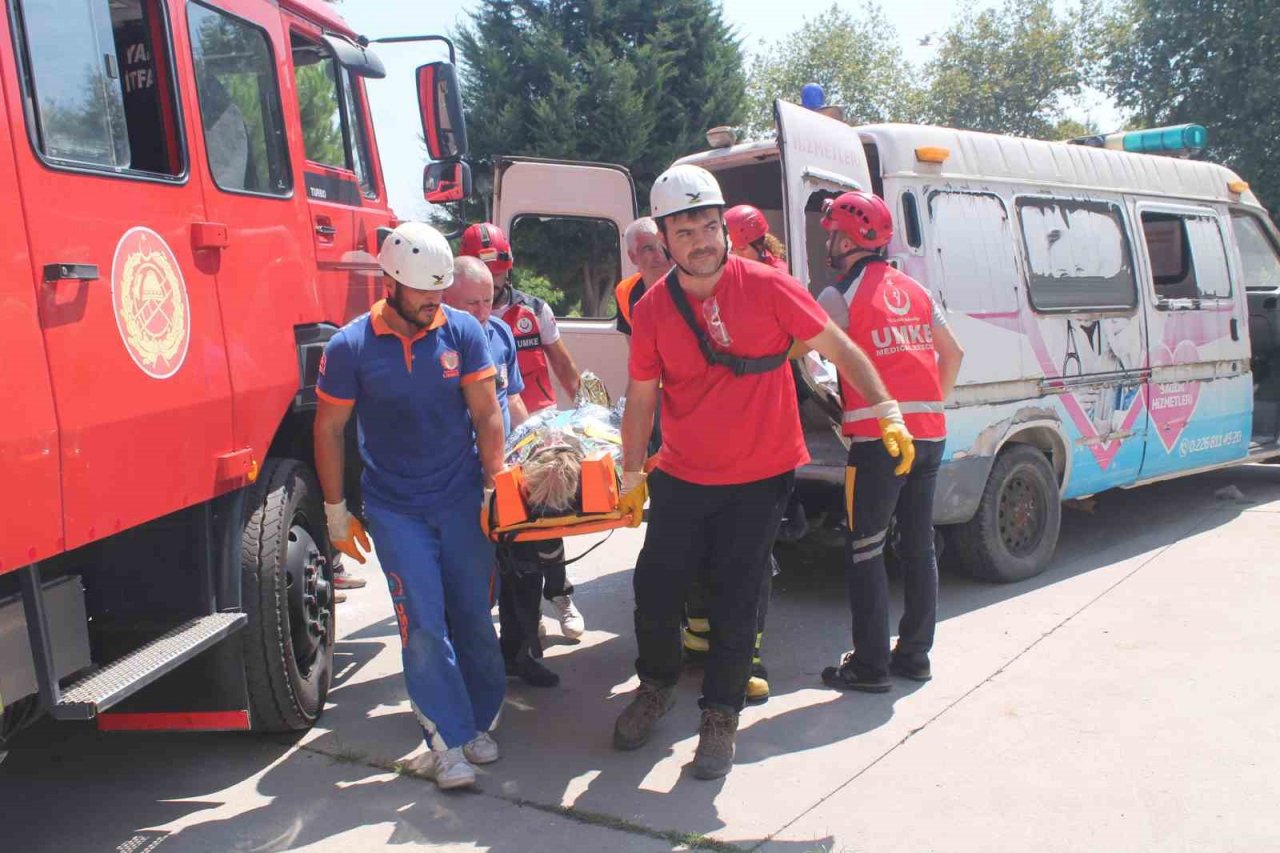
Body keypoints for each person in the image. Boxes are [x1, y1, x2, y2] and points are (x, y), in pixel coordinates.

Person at [612, 164, 915, 780]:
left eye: (708, 225)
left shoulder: (769, 287)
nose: (700, 239)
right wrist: (629, 473)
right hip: (683, 472)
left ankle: (719, 716)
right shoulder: (651, 311)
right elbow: (642, 398)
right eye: (685, 230)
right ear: (664, 240)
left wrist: (886, 409)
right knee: (655, 588)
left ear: (724, 226)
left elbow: (840, 348)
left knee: (737, 596)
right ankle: (655, 686)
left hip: (760, 476)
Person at [313, 222, 507, 791]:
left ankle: (478, 718)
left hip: (462, 498)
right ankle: (446, 743)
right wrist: (334, 510)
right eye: (424, 292)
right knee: (423, 625)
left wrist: (495, 486)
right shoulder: (350, 347)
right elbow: (329, 430)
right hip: (396, 508)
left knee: (473, 612)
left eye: (440, 291)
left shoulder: (463, 331)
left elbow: (487, 412)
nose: (433, 303)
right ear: (391, 282)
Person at [814, 190, 964, 694]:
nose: (828, 243)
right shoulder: (917, 290)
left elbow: (806, 356)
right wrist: (928, 407)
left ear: (849, 238)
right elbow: (954, 353)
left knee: (866, 549)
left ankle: (871, 665)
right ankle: (915, 655)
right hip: (930, 435)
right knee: (919, 546)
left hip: (878, 440)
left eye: (832, 233)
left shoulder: (838, 296)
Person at [460, 223, 586, 641]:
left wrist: (585, 411)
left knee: (550, 522)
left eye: (496, 269)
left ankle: (562, 596)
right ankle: (524, 616)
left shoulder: (532, 311)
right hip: (488, 440)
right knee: (508, 532)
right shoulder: (460, 323)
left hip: (537, 432)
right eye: (483, 268)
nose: (492, 278)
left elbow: (563, 365)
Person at [445, 257, 558, 688]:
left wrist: (533, 447)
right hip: (458, 479)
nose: (480, 311)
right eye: (469, 303)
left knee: (524, 565)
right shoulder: (438, 344)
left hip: (503, 473)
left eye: (486, 301)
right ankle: (466, 666)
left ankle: (522, 654)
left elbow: (512, 400)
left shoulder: (502, 333)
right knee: (468, 579)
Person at [614, 217, 670, 336]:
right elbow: (634, 348)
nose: (659, 255)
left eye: (663, 246)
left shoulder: (691, 284)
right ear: (632, 256)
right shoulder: (624, 292)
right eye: (648, 248)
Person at [725, 204, 788, 271]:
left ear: (759, 244)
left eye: (742, 249)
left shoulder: (778, 273)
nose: (735, 256)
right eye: (730, 250)